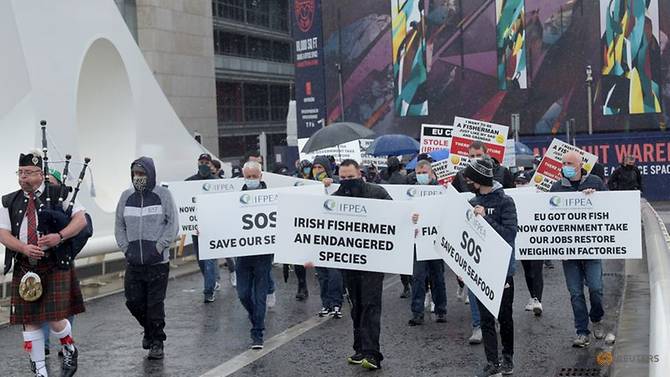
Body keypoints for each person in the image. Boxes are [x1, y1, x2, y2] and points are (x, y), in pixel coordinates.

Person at [0, 151, 88, 377]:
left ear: (40, 174)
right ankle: (40, 370)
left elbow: (81, 221)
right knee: (30, 321)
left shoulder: (59, 193)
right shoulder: (9, 200)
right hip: (25, 264)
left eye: (28, 173)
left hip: (53, 262)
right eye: (20, 173)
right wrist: (22, 248)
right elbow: (2, 232)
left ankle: (68, 346)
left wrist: (59, 236)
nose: (22, 178)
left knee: (55, 319)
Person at [115, 157, 178, 360]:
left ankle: (157, 342)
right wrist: (126, 249)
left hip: (157, 263)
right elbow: (119, 225)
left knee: (154, 305)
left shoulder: (163, 195)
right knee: (133, 301)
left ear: (150, 174)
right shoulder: (126, 197)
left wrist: (159, 248)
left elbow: (172, 225)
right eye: (135, 174)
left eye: (142, 174)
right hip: (134, 262)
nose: (138, 178)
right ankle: (149, 331)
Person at [332, 159, 393, 370]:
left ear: (360, 174)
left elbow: (396, 215)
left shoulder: (377, 192)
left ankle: (372, 353)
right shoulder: (336, 198)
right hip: (349, 262)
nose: (348, 181)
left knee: (370, 305)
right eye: (344, 178)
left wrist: (410, 217)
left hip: (373, 261)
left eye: (351, 177)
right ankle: (359, 349)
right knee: (356, 306)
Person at [462, 157, 518, 377]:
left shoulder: (506, 202)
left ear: (479, 179)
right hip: (479, 270)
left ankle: (508, 360)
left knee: (504, 317)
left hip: (502, 270)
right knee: (485, 319)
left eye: (469, 178)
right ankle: (492, 362)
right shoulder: (470, 202)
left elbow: (509, 235)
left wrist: (485, 219)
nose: (467, 182)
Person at [550, 151, 608, 348]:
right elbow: (549, 217)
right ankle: (582, 331)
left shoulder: (596, 182)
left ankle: (597, 319)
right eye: (563, 162)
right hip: (569, 251)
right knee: (575, 293)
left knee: (596, 288)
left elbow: (612, 208)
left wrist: (596, 197)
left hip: (591, 247)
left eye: (569, 163)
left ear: (580, 164)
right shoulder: (556, 187)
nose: (565, 165)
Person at [236, 161, 274, 349]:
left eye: (254, 176)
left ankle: (257, 332)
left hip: (263, 254)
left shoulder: (273, 197)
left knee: (260, 295)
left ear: (261, 176)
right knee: (243, 294)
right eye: (248, 176)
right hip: (242, 254)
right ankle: (255, 317)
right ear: (243, 177)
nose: (251, 180)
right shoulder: (235, 197)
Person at [408, 160, 447, 325]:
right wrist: (411, 218)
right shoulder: (411, 191)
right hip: (418, 240)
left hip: (435, 240)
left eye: (424, 172)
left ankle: (441, 310)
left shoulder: (442, 190)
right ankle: (417, 312)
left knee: (437, 276)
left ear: (432, 173)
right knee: (418, 277)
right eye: (418, 172)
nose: (421, 175)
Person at [186, 153, 225, 302]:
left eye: (206, 162)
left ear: (210, 164)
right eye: (201, 162)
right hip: (196, 229)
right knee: (201, 260)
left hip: (212, 229)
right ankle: (211, 281)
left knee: (209, 260)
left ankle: (208, 290)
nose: (204, 164)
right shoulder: (189, 182)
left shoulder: (217, 182)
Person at [312, 156, 343, 318]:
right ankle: (326, 304)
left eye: (320, 168)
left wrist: (333, 184)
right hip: (317, 236)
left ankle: (336, 303)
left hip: (335, 236)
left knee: (334, 273)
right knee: (322, 274)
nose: (317, 171)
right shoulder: (308, 186)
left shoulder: (337, 183)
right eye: (315, 168)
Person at [382, 156, 412, 298]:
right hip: (405, 219)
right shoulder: (404, 179)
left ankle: (406, 285)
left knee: (402, 257)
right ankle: (410, 283)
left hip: (394, 221)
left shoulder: (384, 180)